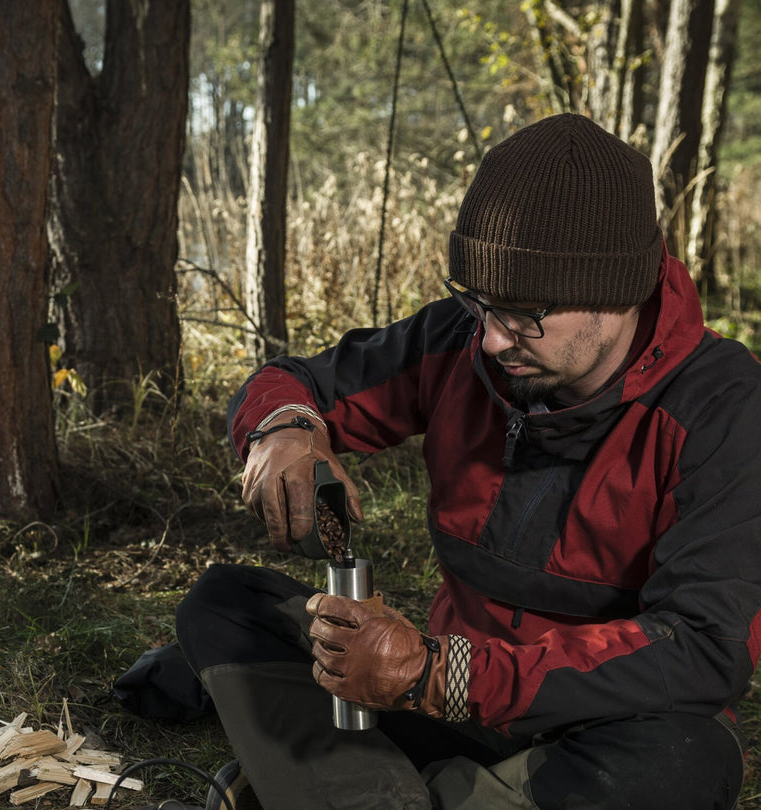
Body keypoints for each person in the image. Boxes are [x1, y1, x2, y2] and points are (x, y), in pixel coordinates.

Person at [175, 113, 760, 809]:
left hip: (597, 724)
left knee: (683, 764)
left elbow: (701, 648)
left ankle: (322, 782)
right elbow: (301, 380)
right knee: (226, 602)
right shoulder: (463, 342)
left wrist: (443, 673)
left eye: (520, 314)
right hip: (434, 700)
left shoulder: (726, 407)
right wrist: (284, 429)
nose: (489, 340)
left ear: (615, 293)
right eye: (479, 305)